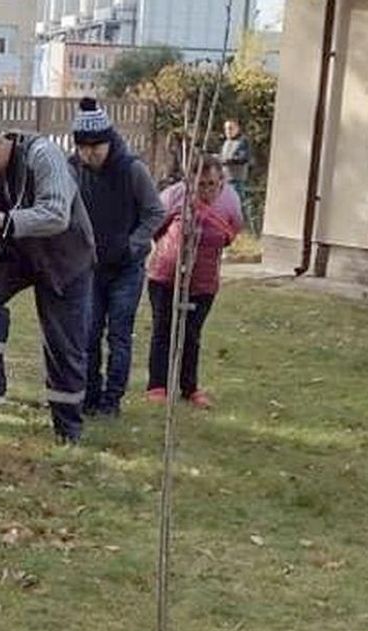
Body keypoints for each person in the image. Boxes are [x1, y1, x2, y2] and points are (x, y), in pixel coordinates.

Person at [0, 124, 96, 444]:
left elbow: (56, 214)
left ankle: (68, 426)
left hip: (65, 258)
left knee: (62, 343)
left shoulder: (43, 157)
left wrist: (2, 220)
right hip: (19, 255)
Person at [69, 98, 164, 418]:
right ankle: (90, 395)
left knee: (119, 334)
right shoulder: (72, 170)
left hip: (126, 268)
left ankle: (113, 400)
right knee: (88, 333)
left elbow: (155, 212)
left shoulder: (132, 169)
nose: (90, 153)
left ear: (109, 142)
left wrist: (133, 245)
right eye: (84, 147)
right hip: (89, 267)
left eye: (97, 146)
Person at [145, 156, 243, 409]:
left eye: (213, 184)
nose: (208, 190)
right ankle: (157, 385)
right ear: (190, 181)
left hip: (204, 283)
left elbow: (231, 233)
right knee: (163, 330)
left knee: (191, 334)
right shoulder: (174, 197)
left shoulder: (230, 202)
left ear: (221, 182)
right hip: (166, 277)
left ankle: (189, 388)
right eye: (202, 184)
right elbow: (155, 224)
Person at [220, 119, 252, 228]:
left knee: (237, 204)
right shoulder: (226, 142)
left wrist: (228, 160)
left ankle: (244, 227)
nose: (228, 131)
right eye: (226, 129)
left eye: (230, 128)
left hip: (236, 179)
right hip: (225, 179)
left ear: (237, 128)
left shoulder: (243, 141)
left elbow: (244, 158)